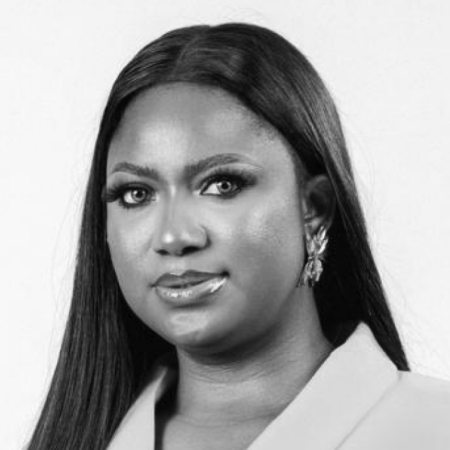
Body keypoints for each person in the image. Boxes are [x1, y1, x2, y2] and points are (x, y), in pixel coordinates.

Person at [26, 23, 450, 450]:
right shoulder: (78, 437)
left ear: (315, 209)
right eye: (136, 194)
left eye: (222, 185)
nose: (173, 236)